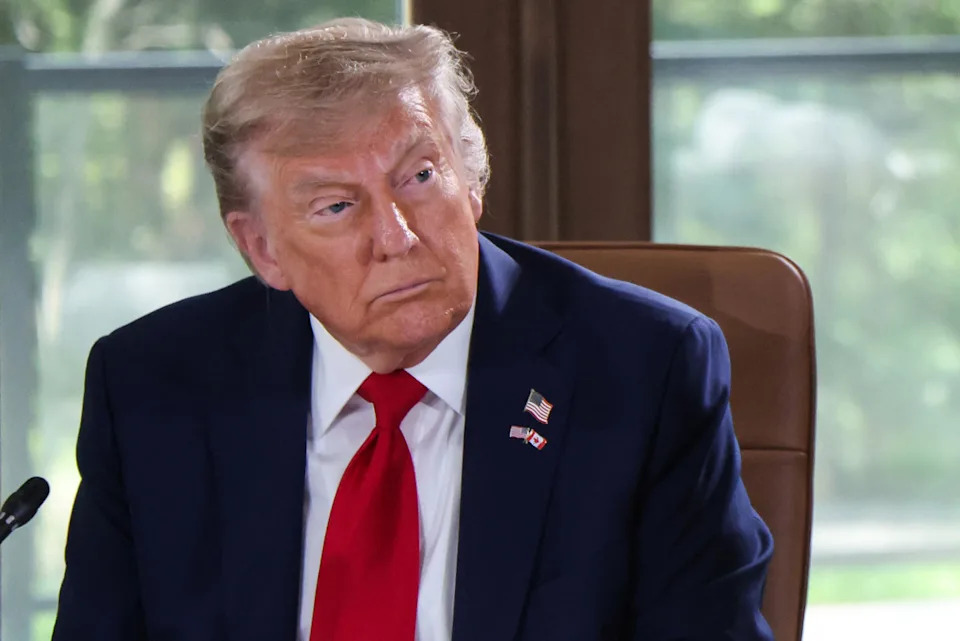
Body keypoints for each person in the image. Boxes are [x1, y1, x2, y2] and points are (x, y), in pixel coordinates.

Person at [52, 17, 774, 641]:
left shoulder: (643, 371)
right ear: (262, 247)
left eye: (420, 176)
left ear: (473, 173)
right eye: (337, 206)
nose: (395, 236)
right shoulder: (152, 389)